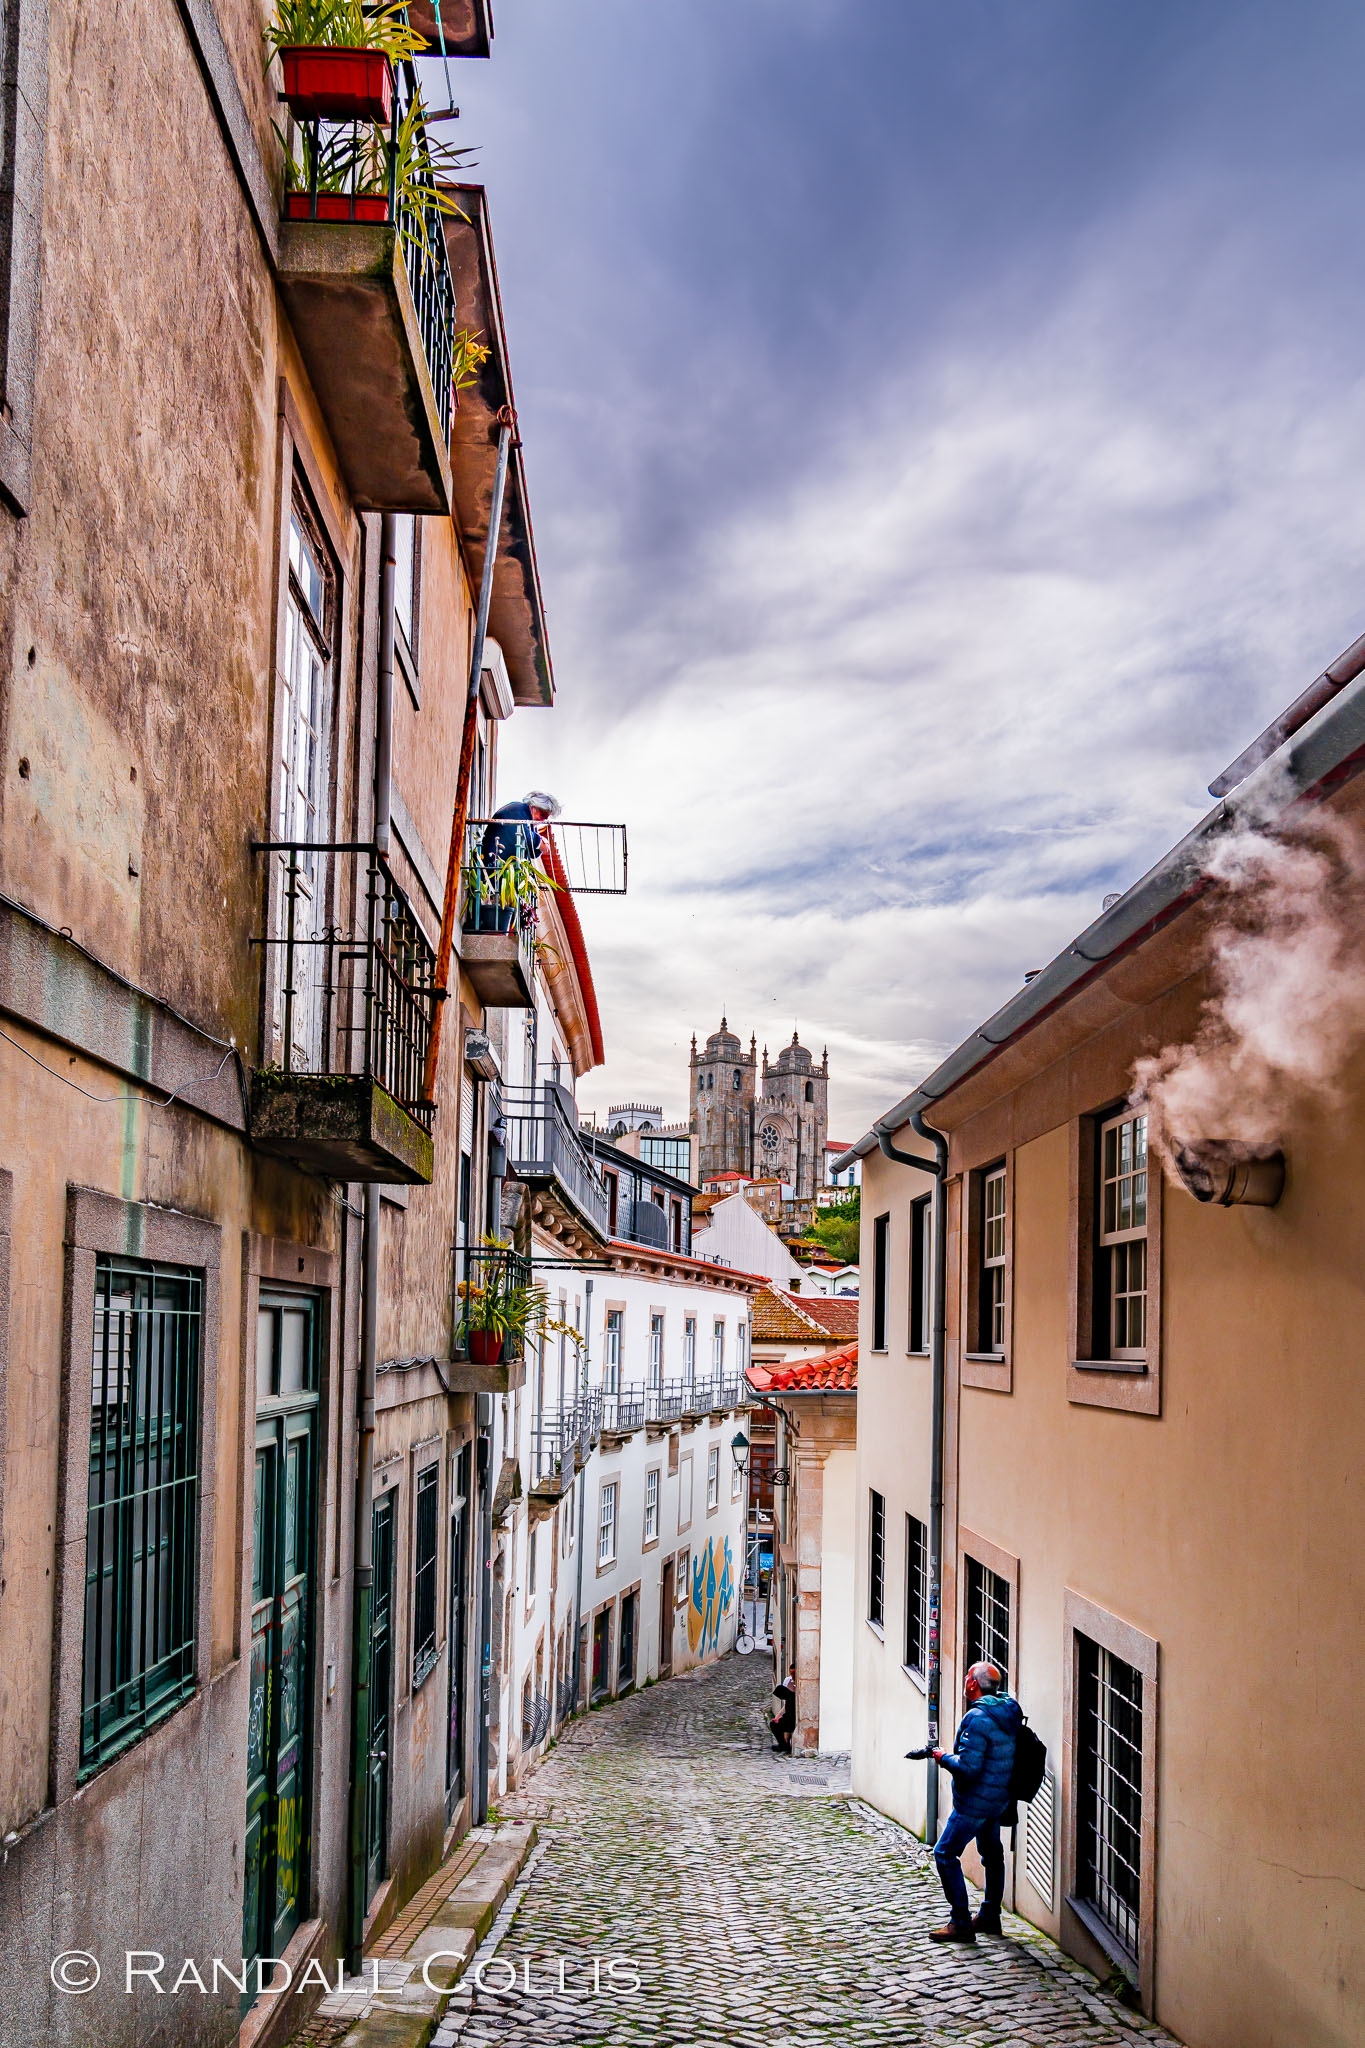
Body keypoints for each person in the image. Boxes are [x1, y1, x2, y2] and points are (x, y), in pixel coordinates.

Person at [928, 1659, 1022, 1943]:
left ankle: (961, 1922)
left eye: (968, 1676)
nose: (965, 1680)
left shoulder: (978, 1718)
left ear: (972, 1684)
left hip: (974, 1803)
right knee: (992, 1855)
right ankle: (990, 1915)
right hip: (998, 1800)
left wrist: (943, 1757)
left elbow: (969, 1766)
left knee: (945, 1853)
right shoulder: (1008, 1710)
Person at [476, 791, 561, 932]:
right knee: (496, 901)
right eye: (542, 816)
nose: (542, 821)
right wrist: (539, 842)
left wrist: (539, 845)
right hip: (494, 865)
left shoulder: (527, 818)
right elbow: (523, 835)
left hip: (501, 869)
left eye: (545, 819)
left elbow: (531, 851)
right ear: (534, 807)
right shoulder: (517, 810)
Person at [770, 1665, 796, 1754]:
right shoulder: (787, 1681)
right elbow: (785, 1705)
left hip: (793, 1716)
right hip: (788, 1714)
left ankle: (784, 1745)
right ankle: (784, 1744)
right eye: (791, 1673)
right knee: (775, 1723)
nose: (792, 1675)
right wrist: (778, 1716)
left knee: (780, 1725)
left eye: (794, 1673)